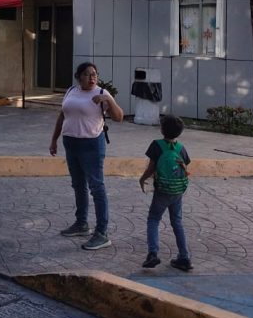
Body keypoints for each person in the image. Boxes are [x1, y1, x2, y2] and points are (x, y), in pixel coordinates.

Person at [49, 61, 123, 251]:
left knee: (96, 187)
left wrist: (109, 101)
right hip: (70, 143)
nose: (92, 78)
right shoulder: (71, 91)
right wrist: (54, 140)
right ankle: (81, 223)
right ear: (78, 77)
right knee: (78, 185)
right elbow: (62, 116)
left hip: (91, 145)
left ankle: (102, 233)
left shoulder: (101, 93)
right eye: (87, 74)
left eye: (94, 74)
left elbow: (119, 117)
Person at [139, 114, 193, 272]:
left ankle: (153, 253)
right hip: (177, 191)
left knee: (153, 219)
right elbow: (185, 166)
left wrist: (143, 179)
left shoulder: (156, 145)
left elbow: (151, 167)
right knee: (177, 222)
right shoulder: (181, 148)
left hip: (162, 190)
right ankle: (184, 257)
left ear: (162, 130)